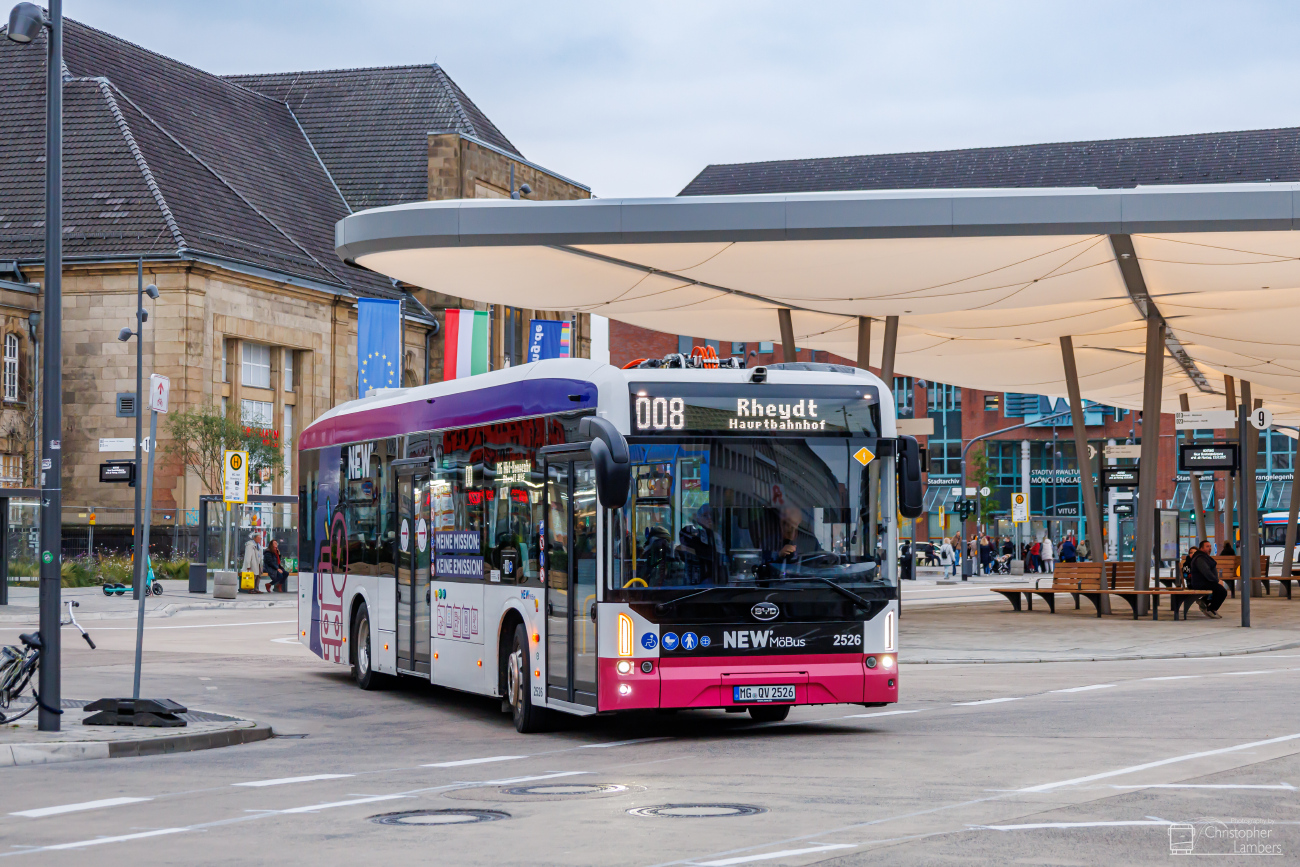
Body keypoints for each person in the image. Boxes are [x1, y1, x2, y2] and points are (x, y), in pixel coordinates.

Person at [1188, 539, 1227, 618]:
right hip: (1201, 583)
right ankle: (1211, 609)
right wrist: (1217, 581)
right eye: (1207, 546)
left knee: (1220, 589)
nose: (1209, 548)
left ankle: (1205, 602)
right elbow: (1206, 572)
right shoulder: (1200, 558)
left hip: (1205, 582)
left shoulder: (1204, 557)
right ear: (1201, 548)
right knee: (1222, 591)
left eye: (1210, 546)